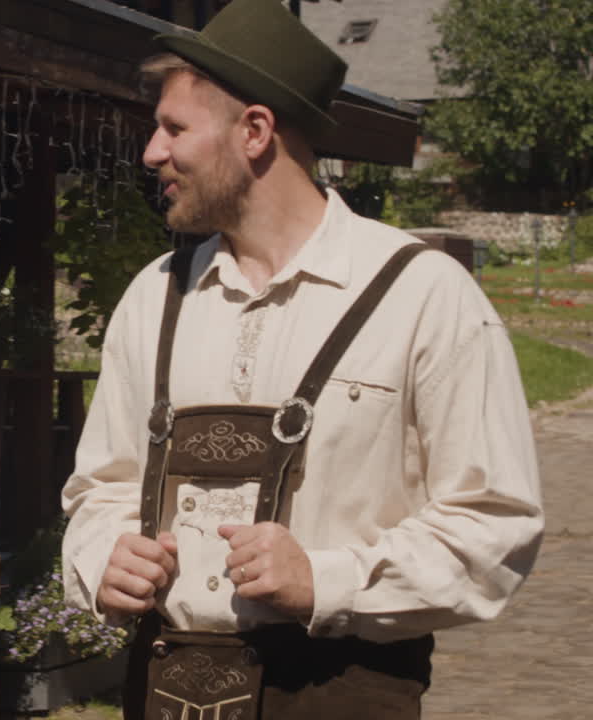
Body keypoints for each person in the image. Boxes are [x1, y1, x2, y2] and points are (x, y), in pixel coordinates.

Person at [60, 0, 543, 718]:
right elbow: (100, 489)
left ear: (254, 132)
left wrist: (328, 579)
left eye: (174, 129)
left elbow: (495, 523)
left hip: (339, 690)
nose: (151, 154)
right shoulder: (155, 295)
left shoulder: (424, 294)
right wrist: (104, 555)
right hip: (162, 685)